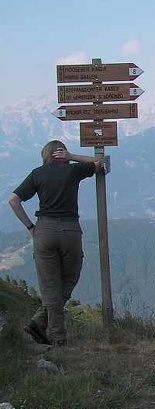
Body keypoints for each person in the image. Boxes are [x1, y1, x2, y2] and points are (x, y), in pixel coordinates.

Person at [8, 140, 103, 346]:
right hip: (70, 230)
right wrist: (71, 157)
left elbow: (13, 200)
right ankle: (57, 337)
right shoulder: (72, 171)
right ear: (60, 154)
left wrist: (31, 227)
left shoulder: (37, 174)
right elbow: (98, 162)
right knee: (69, 278)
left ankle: (40, 323)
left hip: (43, 231)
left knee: (50, 285)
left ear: (46, 155)